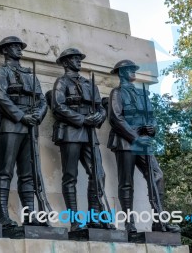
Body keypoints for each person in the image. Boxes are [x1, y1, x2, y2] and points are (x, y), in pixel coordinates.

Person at [107, 59, 180, 233]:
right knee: (126, 183)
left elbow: (152, 116)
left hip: (143, 142)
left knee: (157, 175)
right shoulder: (116, 93)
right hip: (126, 141)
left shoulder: (142, 93)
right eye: (130, 69)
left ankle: (159, 220)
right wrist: (135, 137)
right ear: (121, 72)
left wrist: (152, 128)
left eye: (134, 68)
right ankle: (129, 223)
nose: (133, 71)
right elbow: (115, 118)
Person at [51, 48, 112, 232]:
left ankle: (94, 216)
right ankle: (74, 221)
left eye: (79, 58)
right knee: (70, 177)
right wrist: (82, 119)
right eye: (74, 58)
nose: (78, 61)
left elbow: (101, 107)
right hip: (71, 132)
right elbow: (58, 106)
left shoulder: (88, 83)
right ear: (65, 62)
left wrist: (99, 117)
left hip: (89, 133)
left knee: (99, 174)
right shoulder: (61, 82)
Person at [0, 36, 47, 228]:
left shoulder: (30, 74)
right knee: (5, 171)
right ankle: (3, 215)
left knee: (28, 174)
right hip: (10, 124)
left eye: (19, 47)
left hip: (31, 125)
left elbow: (42, 100)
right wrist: (22, 117)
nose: (19, 50)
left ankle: (29, 214)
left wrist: (37, 115)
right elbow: (0, 96)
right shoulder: (2, 71)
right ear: (5, 51)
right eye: (14, 47)